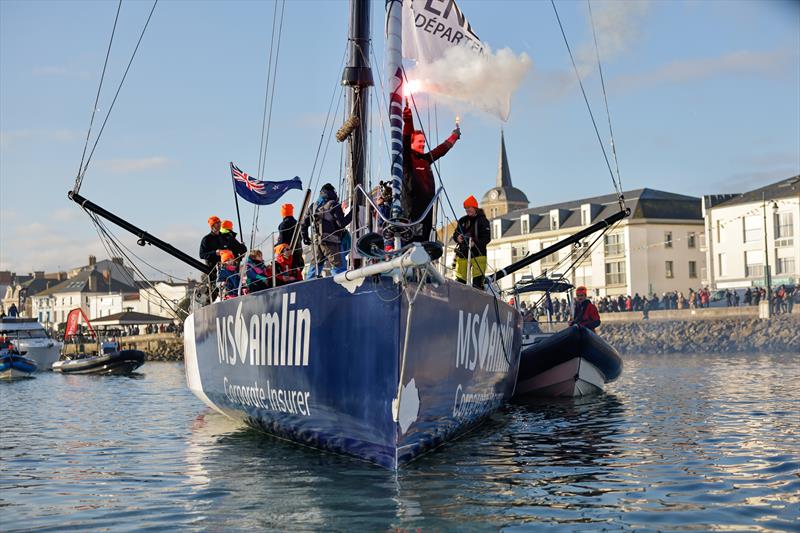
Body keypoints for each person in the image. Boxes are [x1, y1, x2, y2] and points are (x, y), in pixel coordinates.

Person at [402, 103, 460, 242]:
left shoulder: (425, 159)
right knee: (414, 241)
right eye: (419, 141)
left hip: (428, 208)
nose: (423, 144)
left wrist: (454, 137)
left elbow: (441, 150)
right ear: (411, 143)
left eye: (424, 141)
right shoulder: (408, 158)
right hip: (413, 210)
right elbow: (405, 139)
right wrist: (408, 120)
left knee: (425, 240)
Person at [302, 183, 351, 277]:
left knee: (314, 269)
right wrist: (353, 211)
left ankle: (307, 289)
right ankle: (342, 289)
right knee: (339, 269)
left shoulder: (313, 206)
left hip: (317, 244)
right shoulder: (333, 204)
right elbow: (342, 224)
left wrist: (305, 237)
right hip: (331, 243)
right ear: (332, 192)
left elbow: (304, 224)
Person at [452, 195, 491, 289]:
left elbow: (487, 238)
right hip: (463, 254)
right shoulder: (462, 221)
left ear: (475, 207)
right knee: (460, 282)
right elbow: (455, 234)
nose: (467, 210)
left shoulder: (483, 221)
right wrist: (458, 238)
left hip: (479, 254)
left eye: (468, 207)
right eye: (465, 208)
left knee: (477, 283)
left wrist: (475, 243)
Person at [277, 203, 305, 270]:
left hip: (289, 255)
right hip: (298, 252)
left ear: (283, 213)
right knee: (298, 273)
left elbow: (282, 241)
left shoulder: (283, 225)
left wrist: (276, 245)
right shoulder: (297, 223)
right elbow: (300, 238)